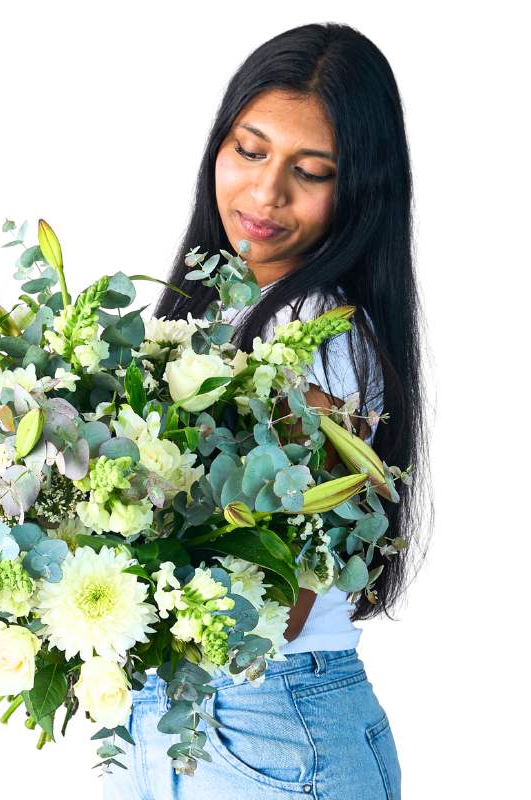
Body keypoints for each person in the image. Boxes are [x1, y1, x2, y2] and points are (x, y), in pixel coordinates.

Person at [102, 21, 433, 800]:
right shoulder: (210, 315)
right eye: (249, 151)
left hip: (265, 723)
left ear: (360, 190)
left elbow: (277, 605)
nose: (264, 194)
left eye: (310, 171)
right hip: (182, 718)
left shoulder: (316, 331)